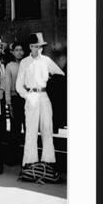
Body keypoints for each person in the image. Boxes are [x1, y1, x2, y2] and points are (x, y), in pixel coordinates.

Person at [16, 33, 65, 167]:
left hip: (44, 96)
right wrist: (27, 96)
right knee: (31, 130)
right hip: (31, 95)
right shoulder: (25, 62)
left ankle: (48, 162)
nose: (38, 49)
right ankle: (29, 163)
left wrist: (51, 81)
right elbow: (18, 86)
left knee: (47, 129)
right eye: (35, 47)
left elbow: (61, 75)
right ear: (30, 47)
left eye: (40, 47)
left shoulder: (46, 60)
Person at [5, 42, 26, 154]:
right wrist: (8, 103)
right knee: (15, 128)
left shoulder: (27, 63)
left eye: (21, 50)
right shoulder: (10, 66)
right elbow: (7, 85)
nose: (19, 52)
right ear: (12, 52)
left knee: (28, 127)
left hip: (26, 99)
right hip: (15, 99)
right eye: (17, 50)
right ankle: (13, 155)